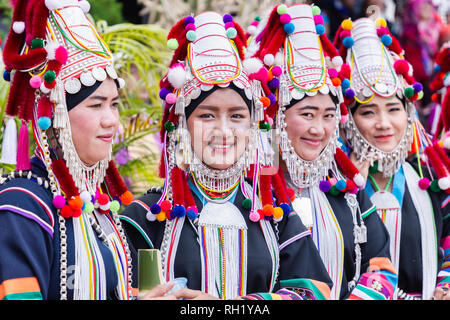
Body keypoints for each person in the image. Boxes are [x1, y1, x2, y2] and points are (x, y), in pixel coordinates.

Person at [121, 11, 333, 300]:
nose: (223, 130)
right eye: (207, 115)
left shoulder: (274, 215)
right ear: (183, 123)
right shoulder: (146, 218)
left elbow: (314, 291)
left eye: (236, 116)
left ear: (253, 124)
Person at [0, 0, 173, 300]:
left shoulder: (96, 206)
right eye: (96, 105)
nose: (111, 120)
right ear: (56, 115)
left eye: (114, 104)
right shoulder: (23, 205)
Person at [244, 3, 397, 300]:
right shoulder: (252, 192)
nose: (319, 129)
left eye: (328, 116)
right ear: (276, 116)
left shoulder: (345, 190)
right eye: (308, 114)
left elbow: (382, 267)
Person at [335, 15, 450, 300]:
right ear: (348, 119)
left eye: (393, 109)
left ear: (409, 113)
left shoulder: (432, 179)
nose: (384, 123)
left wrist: (446, 284)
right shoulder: (335, 189)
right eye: (368, 111)